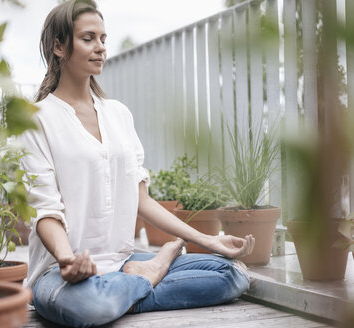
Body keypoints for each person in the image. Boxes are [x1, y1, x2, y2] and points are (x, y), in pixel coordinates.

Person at [19, 1, 255, 327]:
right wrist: (67, 259)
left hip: (122, 261)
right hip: (58, 272)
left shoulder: (119, 114)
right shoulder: (37, 120)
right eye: (88, 38)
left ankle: (129, 286)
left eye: (103, 38)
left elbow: (142, 200)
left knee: (230, 273)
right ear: (59, 46)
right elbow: (46, 212)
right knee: (87, 306)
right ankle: (151, 273)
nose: (100, 47)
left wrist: (210, 241)